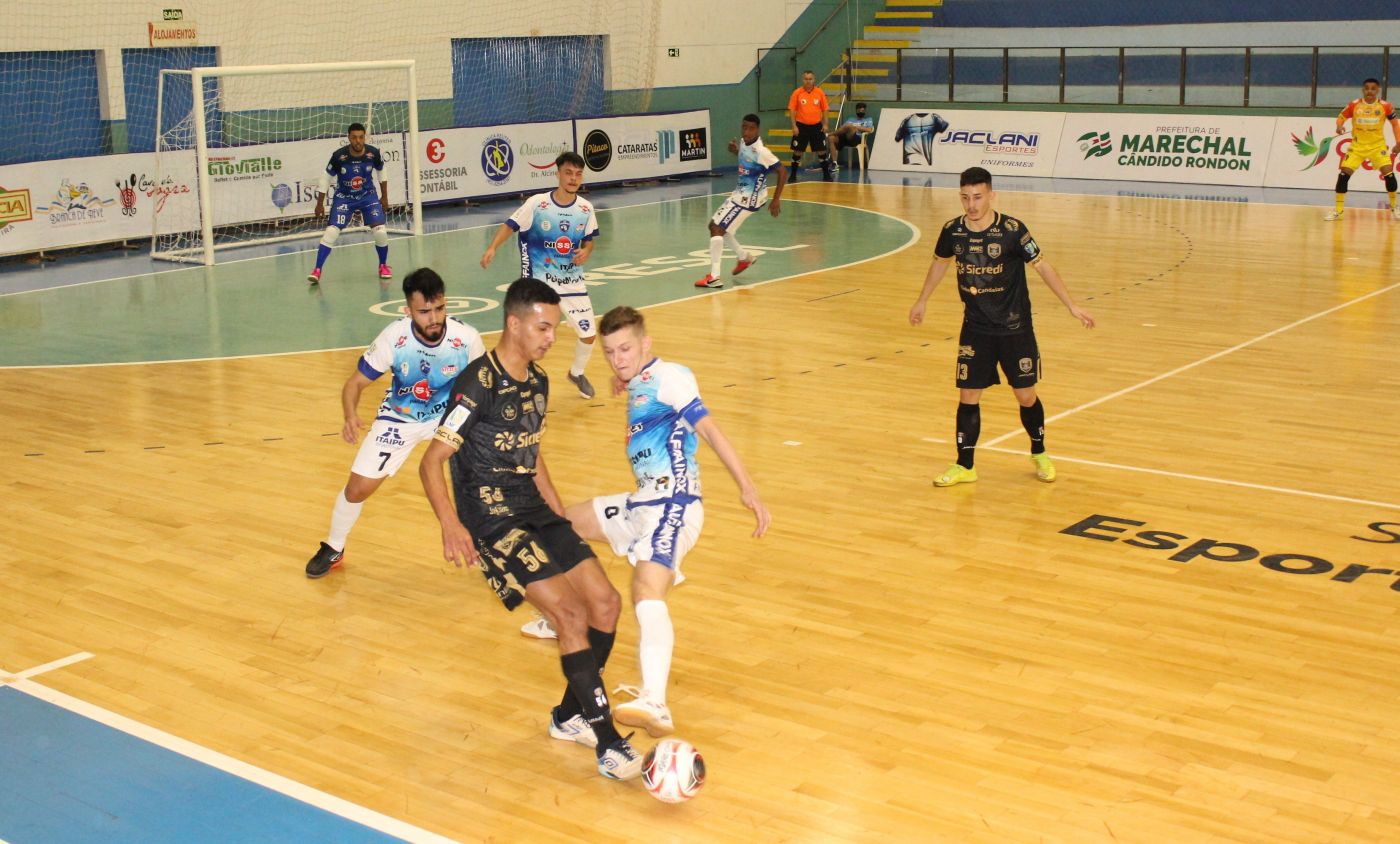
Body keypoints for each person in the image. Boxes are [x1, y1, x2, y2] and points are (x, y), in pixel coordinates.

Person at [418, 277, 643, 781]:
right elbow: (431, 462)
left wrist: (561, 520)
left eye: (555, 328)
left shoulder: (538, 381)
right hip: (491, 517)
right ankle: (608, 743)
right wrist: (451, 524)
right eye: (543, 328)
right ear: (514, 324)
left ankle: (568, 716)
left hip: (533, 507)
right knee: (569, 613)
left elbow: (532, 454)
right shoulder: (478, 383)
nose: (551, 338)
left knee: (606, 604)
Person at [520, 306, 771, 738]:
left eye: (626, 349)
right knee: (560, 525)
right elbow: (643, 384)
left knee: (646, 591)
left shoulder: (669, 378)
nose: (618, 359)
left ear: (646, 343)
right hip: (642, 503)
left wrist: (747, 487)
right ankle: (561, 616)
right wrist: (628, 378)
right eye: (610, 352)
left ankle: (655, 700)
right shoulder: (642, 378)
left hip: (674, 504)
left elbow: (710, 430)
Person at [907, 167, 1095, 487]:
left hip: (1015, 328)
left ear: (992, 195)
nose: (971, 205)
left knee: (1025, 396)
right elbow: (939, 263)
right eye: (965, 198)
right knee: (968, 396)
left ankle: (1039, 452)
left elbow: (1043, 266)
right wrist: (922, 300)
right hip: (975, 328)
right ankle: (965, 465)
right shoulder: (953, 231)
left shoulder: (1012, 230)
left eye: (978, 197)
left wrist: (1072, 305)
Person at [305, 267, 484, 578]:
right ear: (407, 311)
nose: (434, 318)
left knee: (486, 476)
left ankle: (491, 546)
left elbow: (484, 386)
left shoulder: (467, 338)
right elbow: (354, 383)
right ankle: (334, 546)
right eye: (424, 312)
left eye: (439, 308)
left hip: (450, 415)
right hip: (401, 417)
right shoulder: (394, 338)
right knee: (357, 489)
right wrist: (350, 415)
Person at [480, 152, 600, 399]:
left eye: (578, 174)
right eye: (568, 173)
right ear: (558, 174)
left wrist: (586, 251)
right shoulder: (537, 204)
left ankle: (576, 373)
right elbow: (510, 225)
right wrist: (493, 247)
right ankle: (516, 380)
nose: (573, 178)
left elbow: (589, 241)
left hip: (572, 282)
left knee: (589, 335)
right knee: (529, 336)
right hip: (538, 284)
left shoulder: (586, 208)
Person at [693, 114, 788, 290]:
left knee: (717, 228)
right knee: (715, 226)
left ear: (758, 130)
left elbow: (783, 171)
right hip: (739, 194)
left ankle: (714, 277)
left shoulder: (762, 152)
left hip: (748, 199)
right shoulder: (744, 143)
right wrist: (736, 151)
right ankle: (744, 258)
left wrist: (776, 200)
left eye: (751, 128)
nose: (746, 132)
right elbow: (747, 159)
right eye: (744, 127)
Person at [308, 122, 392, 283]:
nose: (358, 141)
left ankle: (383, 265)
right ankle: (317, 270)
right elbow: (326, 177)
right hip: (344, 197)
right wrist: (319, 204)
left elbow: (382, 170)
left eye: (361, 137)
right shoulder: (339, 156)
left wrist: (384, 197)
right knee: (331, 232)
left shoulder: (373, 153)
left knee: (380, 232)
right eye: (354, 137)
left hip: (368, 196)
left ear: (365, 138)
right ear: (349, 138)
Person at [1324, 78, 1400, 221]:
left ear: (1378, 90)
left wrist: (1398, 142)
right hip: (1357, 147)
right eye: (1367, 88)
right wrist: (1339, 125)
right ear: (1363, 90)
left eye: (1373, 88)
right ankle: (1338, 211)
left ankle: (1394, 207)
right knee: (1343, 175)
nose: (1369, 91)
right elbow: (1341, 117)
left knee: (1389, 174)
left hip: (1377, 146)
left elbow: (1395, 124)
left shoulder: (1386, 106)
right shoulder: (1354, 105)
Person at [787, 70, 831, 182]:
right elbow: (792, 110)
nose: (808, 81)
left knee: (822, 151)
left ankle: (826, 175)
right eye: (806, 79)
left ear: (813, 80)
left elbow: (825, 109)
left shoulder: (819, 92)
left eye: (810, 79)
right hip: (801, 126)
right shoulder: (797, 93)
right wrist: (794, 126)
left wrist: (825, 124)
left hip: (817, 126)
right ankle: (793, 175)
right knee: (797, 151)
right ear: (803, 80)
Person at [826, 102, 875, 171]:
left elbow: (869, 129)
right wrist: (851, 128)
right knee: (831, 138)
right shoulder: (851, 119)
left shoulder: (868, 120)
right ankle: (834, 163)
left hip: (857, 139)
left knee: (849, 126)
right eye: (859, 110)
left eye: (862, 111)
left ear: (865, 111)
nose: (861, 112)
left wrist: (855, 127)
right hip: (845, 138)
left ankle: (830, 133)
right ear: (856, 111)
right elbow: (843, 128)